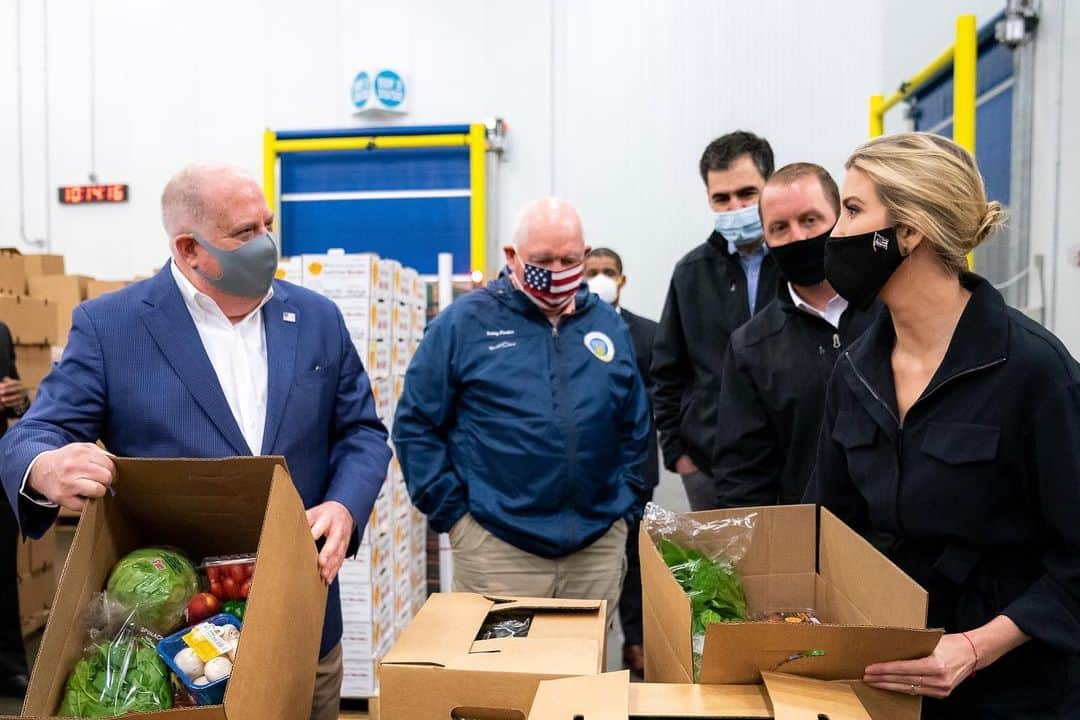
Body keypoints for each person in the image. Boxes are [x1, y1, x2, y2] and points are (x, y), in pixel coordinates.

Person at [0, 164, 392, 720]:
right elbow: (37, 434)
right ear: (189, 248)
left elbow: (361, 433)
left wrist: (345, 504)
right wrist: (43, 466)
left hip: (301, 615)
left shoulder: (315, 319)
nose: (267, 243)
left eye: (268, 224)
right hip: (178, 633)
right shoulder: (112, 327)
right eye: (244, 233)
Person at [804, 132, 1080, 717]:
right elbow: (829, 527)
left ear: (909, 231)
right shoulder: (855, 370)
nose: (834, 234)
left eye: (853, 211)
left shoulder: (1034, 372)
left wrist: (975, 648)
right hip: (892, 682)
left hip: (1015, 691)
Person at [393, 198, 650, 630]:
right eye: (541, 260)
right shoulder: (463, 324)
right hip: (499, 548)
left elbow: (635, 423)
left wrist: (624, 509)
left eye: (568, 260)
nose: (556, 270)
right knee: (502, 688)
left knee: (583, 688)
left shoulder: (607, 326)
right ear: (512, 257)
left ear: (584, 257)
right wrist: (456, 518)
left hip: (596, 547)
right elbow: (416, 424)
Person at [712, 163, 876, 508]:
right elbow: (743, 476)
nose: (798, 237)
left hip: (904, 545)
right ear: (766, 238)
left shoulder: (891, 312)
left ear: (840, 217)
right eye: (780, 228)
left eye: (810, 220)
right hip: (812, 544)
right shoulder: (752, 349)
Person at [652, 131, 781, 510]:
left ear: (769, 186)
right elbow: (666, 370)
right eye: (721, 198)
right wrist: (679, 453)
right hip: (710, 467)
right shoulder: (691, 273)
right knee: (720, 570)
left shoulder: (802, 264)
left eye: (746, 194)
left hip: (793, 465)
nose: (734, 207)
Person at [583, 247, 658, 676]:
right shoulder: (567, 331)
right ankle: (587, 650)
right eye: (592, 272)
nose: (600, 278)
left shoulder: (647, 335)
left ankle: (637, 642)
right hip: (585, 474)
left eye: (608, 272)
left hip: (634, 473)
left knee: (634, 562)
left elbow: (661, 398)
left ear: (622, 280)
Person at [0, 322, 30, 698]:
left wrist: (18, 397)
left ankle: (8, 668)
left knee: (3, 572)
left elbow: (19, 401)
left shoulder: (2, 331)